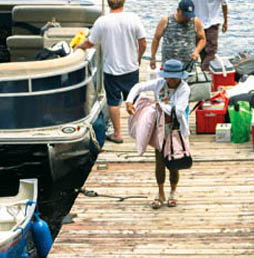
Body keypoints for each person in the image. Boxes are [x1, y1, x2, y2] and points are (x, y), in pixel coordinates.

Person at [75, 0, 147, 145]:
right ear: (124, 2)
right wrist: (138, 57)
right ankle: (140, 131)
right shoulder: (133, 18)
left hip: (111, 69)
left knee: (113, 102)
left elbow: (89, 43)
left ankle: (118, 134)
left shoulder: (102, 22)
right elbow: (143, 42)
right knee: (133, 99)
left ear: (108, 3)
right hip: (131, 67)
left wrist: (78, 47)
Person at [125, 60, 191, 208]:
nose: (172, 80)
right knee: (159, 161)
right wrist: (129, 101)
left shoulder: (184, 89)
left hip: (175, 129)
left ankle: (173, 192)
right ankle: (160, 193)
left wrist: (158, 105)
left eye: (175, 77)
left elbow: (179, 111)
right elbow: (139, 86)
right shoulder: (160, 83)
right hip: (159, 128)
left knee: (174, 162)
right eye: (169, 76)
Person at [148, 0, 205, 74]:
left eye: (189, 15)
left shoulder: (195, 21)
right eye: (185, 15)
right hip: (169, 66)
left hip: (188, 66)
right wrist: (153, 57)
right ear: (178, 10)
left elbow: (202, 39)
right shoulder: (166, 20)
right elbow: (156, 39)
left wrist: (197, 51)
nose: (187, 18)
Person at [195, 0, 228, 70]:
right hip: (212, 22)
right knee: (211, 51)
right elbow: (224, 4)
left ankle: (204, 69)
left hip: (197, 23)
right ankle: (204, 69)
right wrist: (225, 21)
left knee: (202, 50)